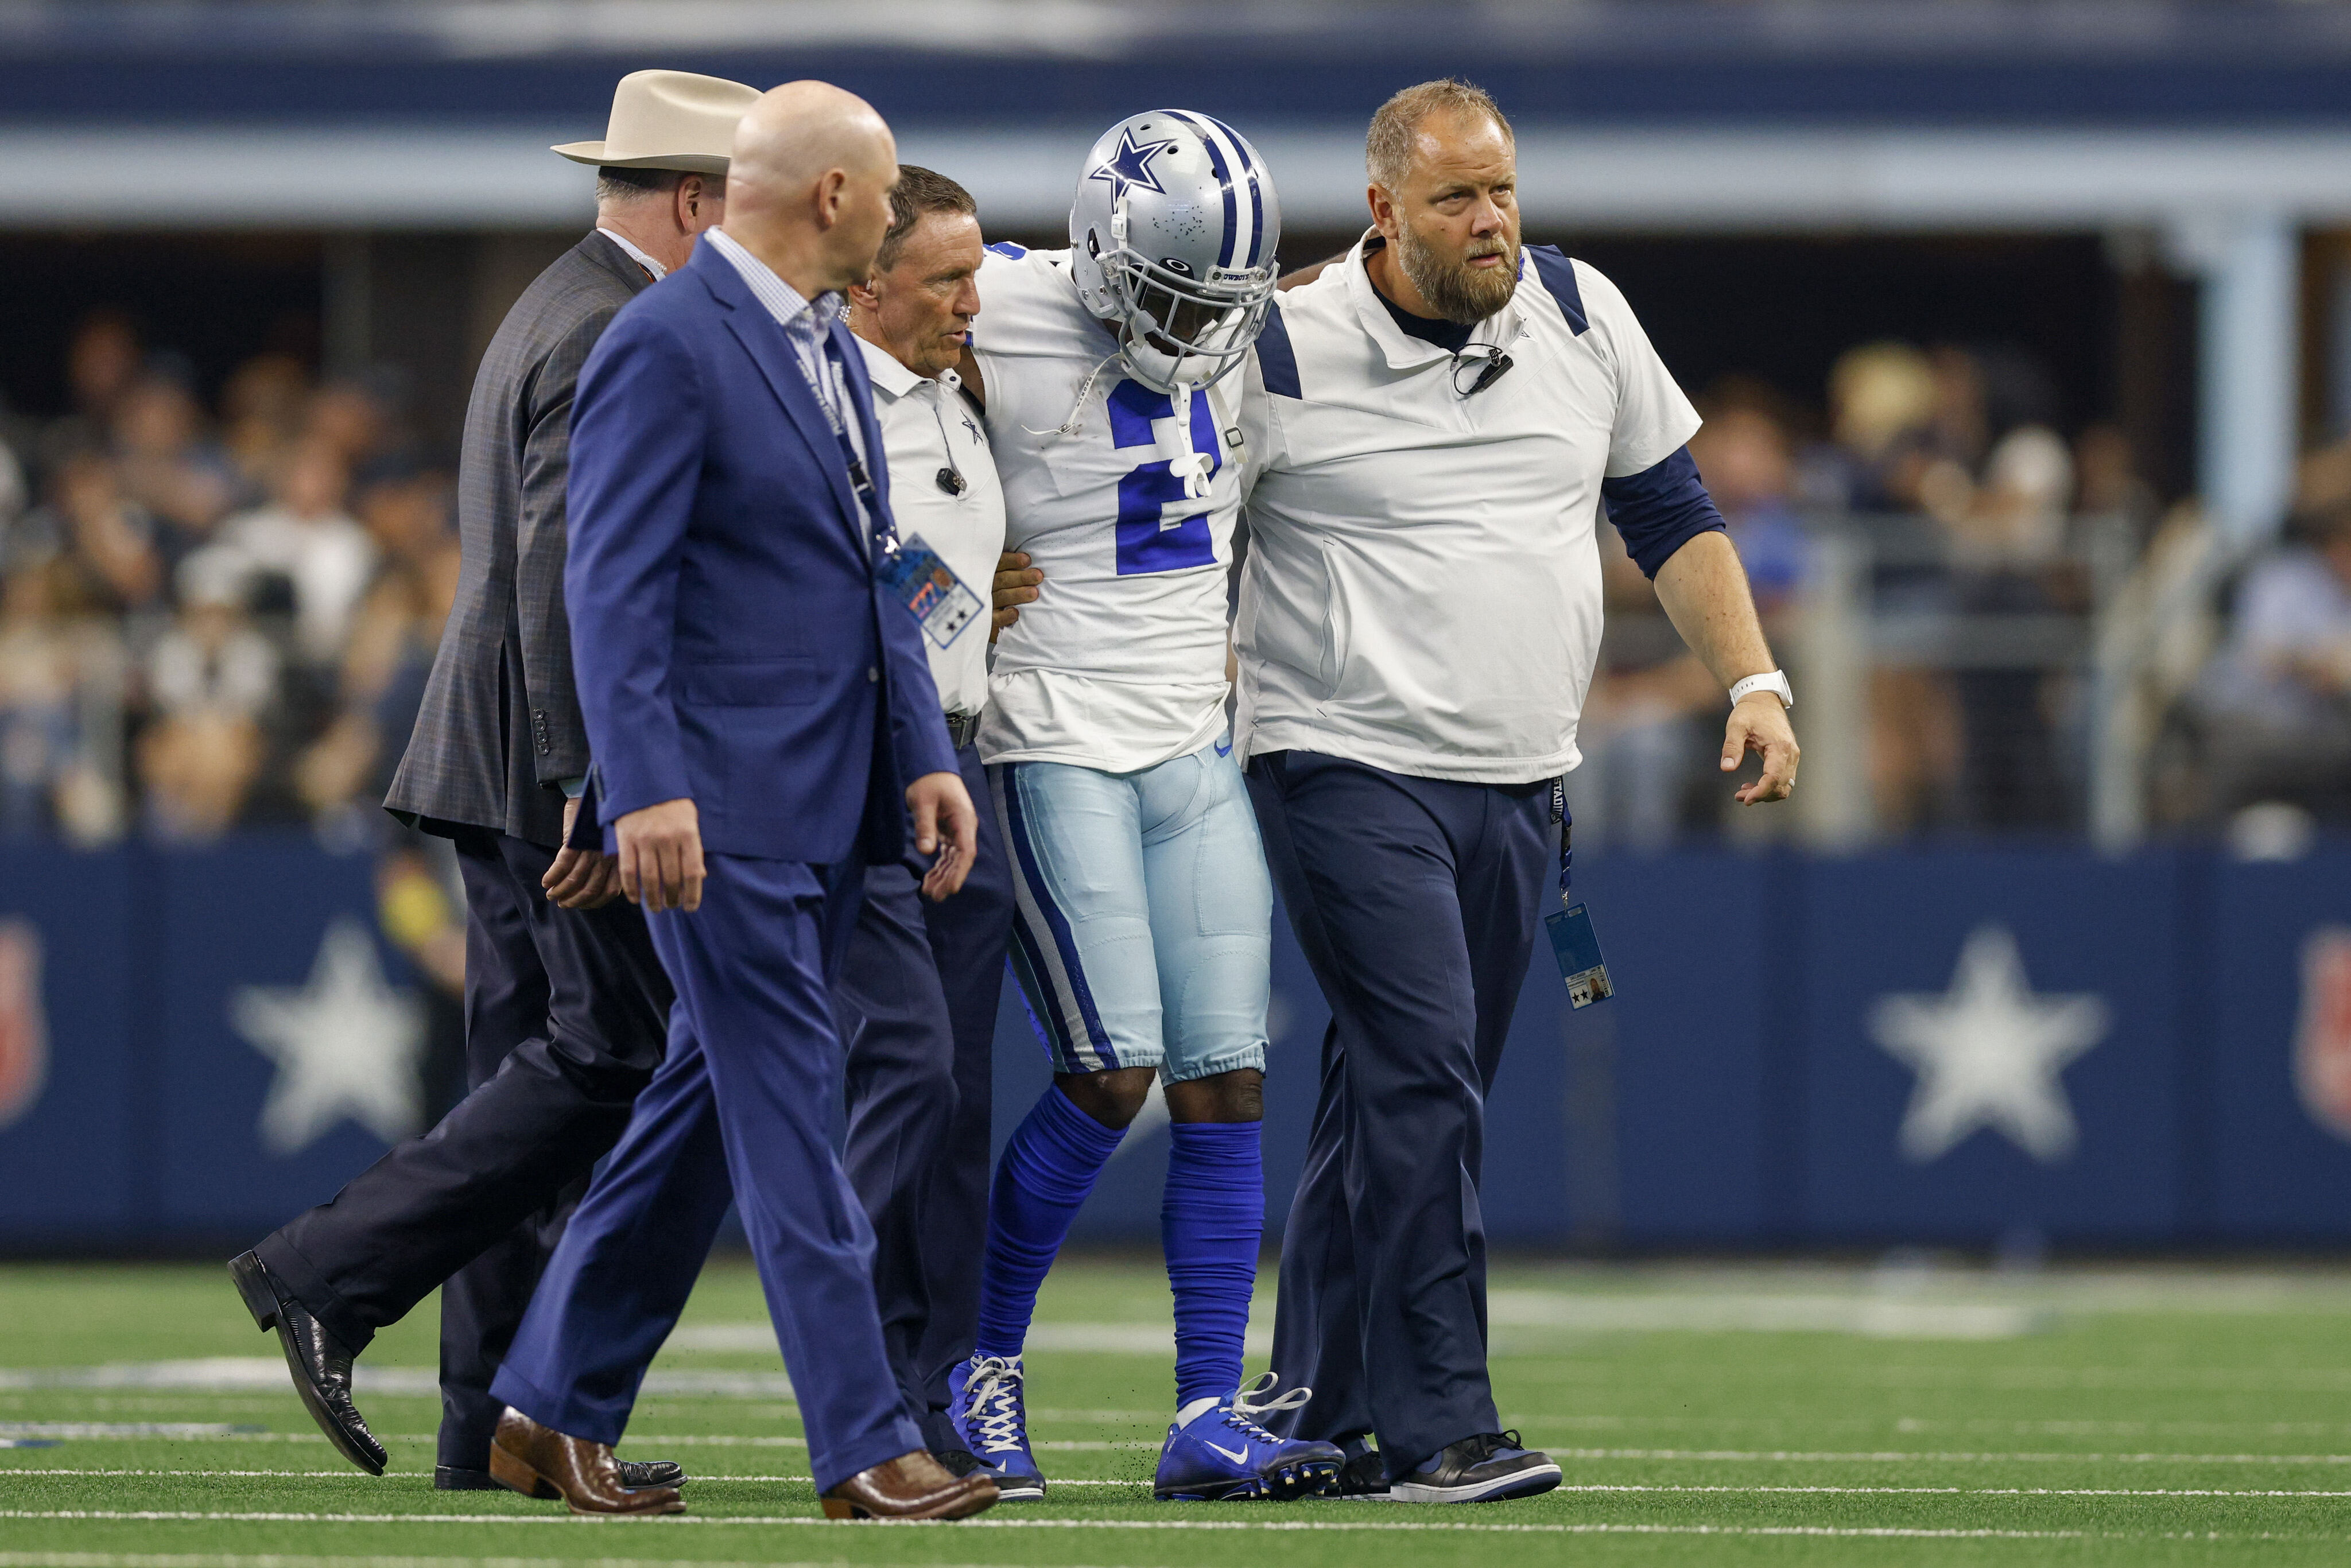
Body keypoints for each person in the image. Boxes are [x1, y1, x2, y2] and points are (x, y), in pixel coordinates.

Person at [1235, 78, 1798, 1503]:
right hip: (1339, 758)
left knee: (1396, 1091)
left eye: (1500, 190)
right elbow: (1176, 529)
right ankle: (1441, 1427)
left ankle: (1309, 1408)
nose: (1488, 221)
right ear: (1381, 210)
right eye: (1452, 198)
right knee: (1421, 1074)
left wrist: (1754, 684)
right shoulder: (1278, 342)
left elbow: (1668, 511)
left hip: (1522, 780)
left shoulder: (1578, 309)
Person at [225, 68, 755, 1492]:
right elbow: (563, 573)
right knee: (606, 1059)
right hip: (544, 761)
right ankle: (330, 1272)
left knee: (541, 1067)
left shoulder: (559, 300)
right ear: (697, 203)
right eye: (750, 207)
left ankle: (490, 1426)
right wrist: (594, 777)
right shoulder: (617, 323)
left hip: (500, 752)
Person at [482, 80, 994, 1526]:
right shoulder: (659, 341)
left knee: (702, 1115)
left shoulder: (822, 341)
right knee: (790, 1121)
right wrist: (640, 789)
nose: (895, 218)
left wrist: (924, 757)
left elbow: (872, 568)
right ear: (830, 195)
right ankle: (862, 1446)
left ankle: (544, 1406)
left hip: (829, 800)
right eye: (885, 193)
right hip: (723, 815)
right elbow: (610, 587)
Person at [944, 111, 1343, 1506]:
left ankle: (1203, 1410)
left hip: (1191, 743)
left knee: (1224, 1079)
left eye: (1222, 298)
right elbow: (856, 385)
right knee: (1107, 1070)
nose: (1198, 327)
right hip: (1050, 734)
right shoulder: (990, 297)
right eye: (1177, 292)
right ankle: (978, 1367)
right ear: (1103, 249)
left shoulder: (1244, 332)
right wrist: (951, 556)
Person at [832, 165, 1017, 1476]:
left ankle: (930, 1379)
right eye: (947, 276)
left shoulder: (959, 393)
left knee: (951, 1104)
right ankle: (861, 1380)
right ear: (867, 282)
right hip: (873, 770)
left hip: (971, 758)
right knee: (898, 1084)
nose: (975, 298)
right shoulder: (828, 405)